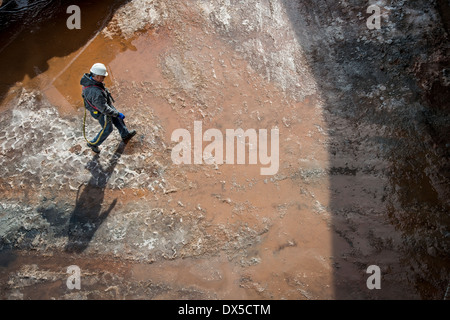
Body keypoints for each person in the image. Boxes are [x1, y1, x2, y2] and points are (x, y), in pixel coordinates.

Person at [81, 63, 136, 153]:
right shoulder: (95, 92)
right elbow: (104, 109)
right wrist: (117, 113)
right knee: (107, 128)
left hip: (104, 104)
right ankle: (93, 144)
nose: (104, 78)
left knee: (117, 119)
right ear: (97, 76)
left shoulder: (89, 80)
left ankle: (125, 134)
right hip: (101, 112)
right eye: (103, 77)